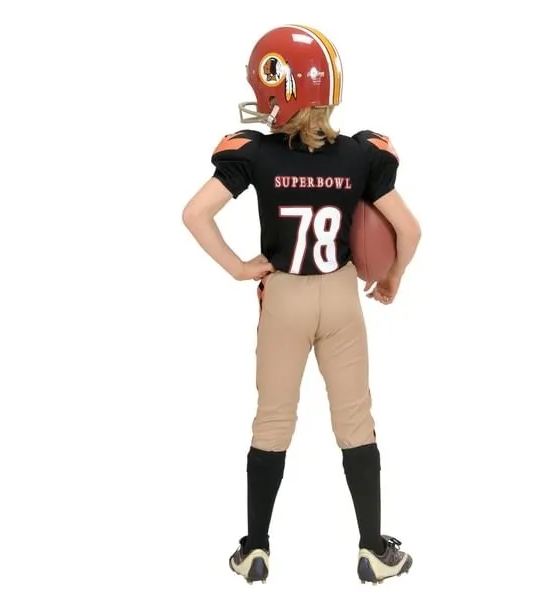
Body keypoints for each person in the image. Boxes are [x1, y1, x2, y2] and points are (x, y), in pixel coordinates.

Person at [182, 24, 422, 585]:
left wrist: (239, 267)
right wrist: (392, 278)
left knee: (272, 421)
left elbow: (195, 213)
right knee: (355, 420)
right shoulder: (361, 155)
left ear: (279, 90)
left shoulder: (256, 153)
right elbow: (409, 230)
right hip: (340, 296)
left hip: (284, 295)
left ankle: (255, 550)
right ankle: (373, 551)